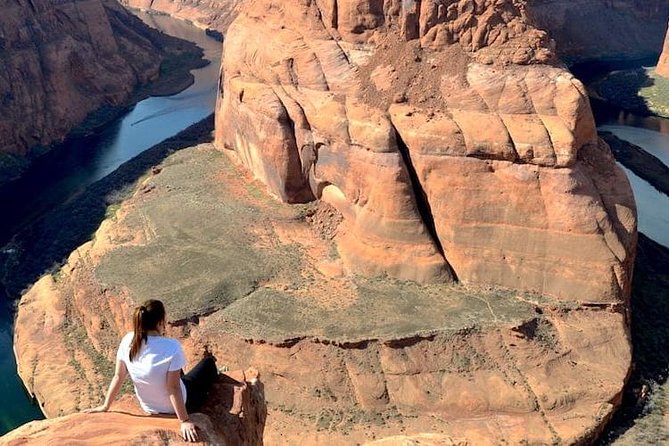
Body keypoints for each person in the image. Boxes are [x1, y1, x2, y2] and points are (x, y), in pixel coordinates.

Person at [84, 299, 218, 442]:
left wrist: (105, 406)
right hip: (182, 403)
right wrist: (184, 420)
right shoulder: (172, 346)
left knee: (178, 374)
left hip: (148, 406)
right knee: (208, 363)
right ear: (160, 322)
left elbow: (118, 376)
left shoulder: (128, 340)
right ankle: (218, 371)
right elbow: (173, 388)